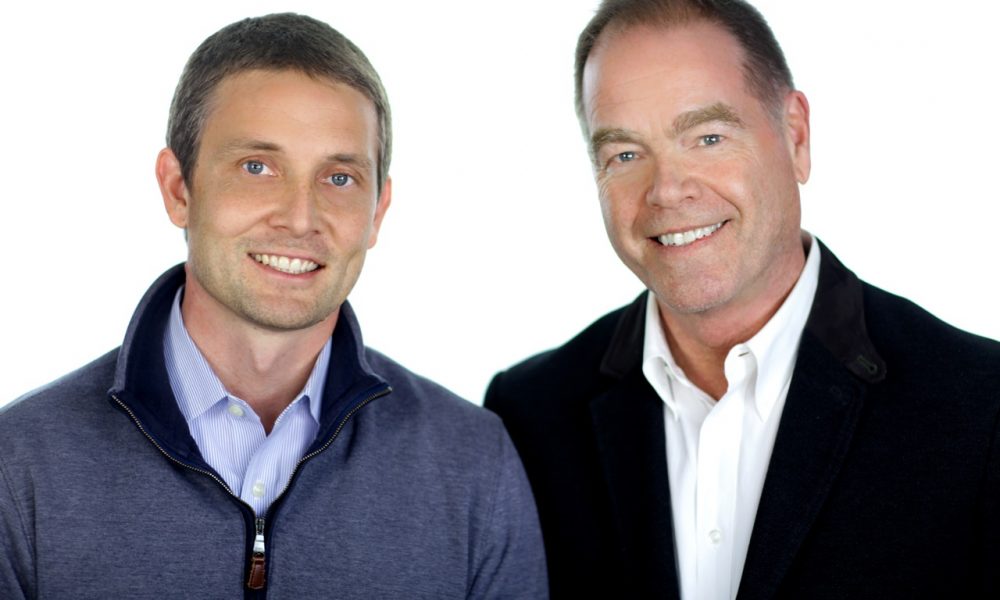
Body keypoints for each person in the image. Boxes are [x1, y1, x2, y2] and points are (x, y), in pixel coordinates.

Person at [0, 13, 545, 599]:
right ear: (179, 188)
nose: (300, 218)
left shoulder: (473, 464)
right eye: (257, 167)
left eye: (339, 178)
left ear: (377, 212)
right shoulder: (19, 466)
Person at [484, 1, 1000, 598]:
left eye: (708, 137)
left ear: (796, 135)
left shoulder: (979, 407)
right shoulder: (531, 416)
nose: (667, 190)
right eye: (624, 154)